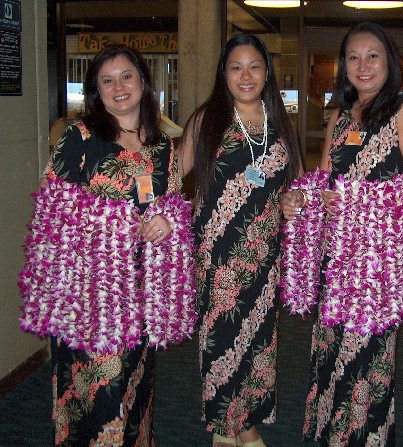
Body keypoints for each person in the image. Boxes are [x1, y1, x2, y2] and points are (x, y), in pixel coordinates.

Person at [282, 22, 403, 446]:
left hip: (376, 271)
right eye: (353, 57)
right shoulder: (340, 117)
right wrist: (301, 199)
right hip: (337, 263)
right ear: (343, 65)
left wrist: (360, 204)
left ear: (390, 63)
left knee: (364, 363)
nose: (363, 66)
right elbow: (327, 182)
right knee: (330, 356)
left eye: (373, 56)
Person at [34, 45, 182, 446]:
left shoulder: (163, 147)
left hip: (142, 288)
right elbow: (51, 211)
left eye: (127, 76)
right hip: (89, 293)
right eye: (107, 80)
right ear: (96, 91)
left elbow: (175, 206)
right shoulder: (80, 138)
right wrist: (116, 224)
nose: (119, 87)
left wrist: (167, 223)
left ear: (144, 82)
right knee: (96, 389)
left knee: (136, 384)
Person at [178, 34, 303, 447]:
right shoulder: (207, 121)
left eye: (254, 66)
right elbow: (170, 178)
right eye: (236, 67)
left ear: (267, 73)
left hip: (265, 258)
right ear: (224, 74)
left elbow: (297, 184)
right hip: (218, 259)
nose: (245, 75)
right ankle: (235, 432)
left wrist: (293, 199)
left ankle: (234, 427)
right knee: (222, 343)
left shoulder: (281, 124)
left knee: (257, 344)